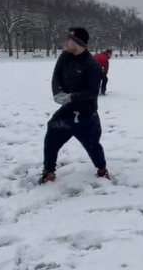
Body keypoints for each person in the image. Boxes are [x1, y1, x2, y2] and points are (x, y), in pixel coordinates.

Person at [39, 27, 110, 184]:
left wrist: (71, 97)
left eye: (69, 39)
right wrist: (57, 93)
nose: (66, 42)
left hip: (86, 115)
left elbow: (92, 91)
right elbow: (56, 76)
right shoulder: (65, 56)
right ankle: (49, 171)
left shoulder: (91, 64)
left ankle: (102, 170)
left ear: (78, 42)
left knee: (92, 146)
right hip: (66, 111)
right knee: (51, 137)